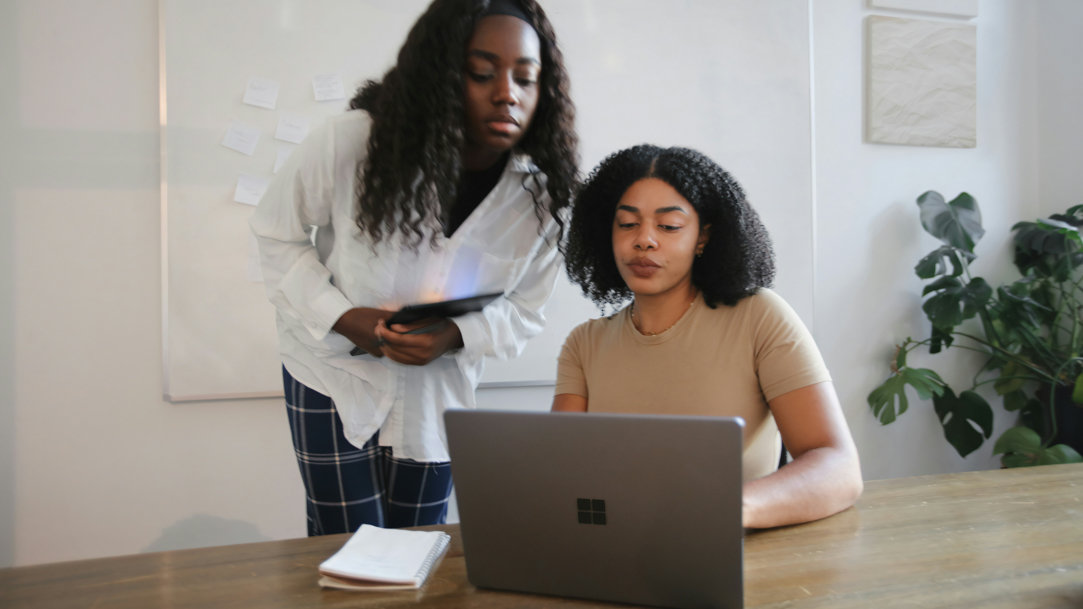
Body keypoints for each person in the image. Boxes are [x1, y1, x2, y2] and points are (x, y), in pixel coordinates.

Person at [251, 0, 578, 535]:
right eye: (481, 73)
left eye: (526, 78)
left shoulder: (543, 197)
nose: (507, 93)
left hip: (436, 394)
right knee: (346, 551)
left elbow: (525, 310)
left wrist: (453, 333)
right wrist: (343, 315)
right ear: (440, 74)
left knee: (419, 550)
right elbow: (275, 235)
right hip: (332, 373)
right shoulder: (350, 143)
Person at [552, 145, 861, 529]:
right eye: (627, 224)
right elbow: (563, 478)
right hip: (617, 549)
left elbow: (838, 467)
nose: (644, 240)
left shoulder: (759, 317)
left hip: (737, 557)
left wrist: (732, 509)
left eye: (668, 226)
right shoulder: (584, 344)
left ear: (703, 237)